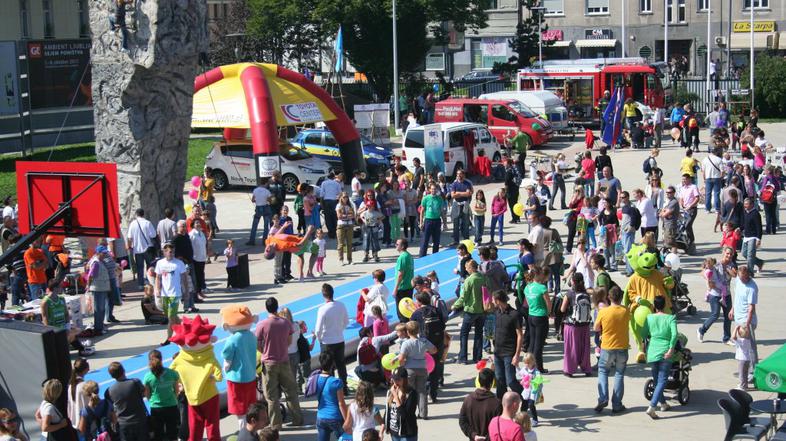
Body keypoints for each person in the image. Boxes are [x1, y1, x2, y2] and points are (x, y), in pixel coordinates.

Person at [255, 297, 304, 429]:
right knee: (291, 392)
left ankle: (276, 425)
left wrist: (265, 350)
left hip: (269, 363)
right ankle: (297, 419)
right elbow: (288, 341)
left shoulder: (262, 324)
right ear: (277, 307)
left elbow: (257, 344)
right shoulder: (286, 323)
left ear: (266, 308)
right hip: (283, 360)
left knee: (271, 397)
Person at [594, 287, 630, 414]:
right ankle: (617, 404)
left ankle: (603, 398)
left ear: (609, 297)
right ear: (621, 298)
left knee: (603, 371)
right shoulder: (626, 310)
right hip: (622, 347)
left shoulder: (603, 312)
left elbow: (596, 327)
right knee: (619, 374)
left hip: (607, 346)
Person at [642, 296, 678, 419]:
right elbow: (675, 335)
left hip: (652, 351)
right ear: (665, 305)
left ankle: (663, 404)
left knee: (657, 380)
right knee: (662, 381)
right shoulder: (671, 318)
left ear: (654, 306)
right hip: (665, 352)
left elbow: (643, 333)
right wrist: (671, 348)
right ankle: (652, 406)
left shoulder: (649, 318)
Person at [398, 321, 437, 419]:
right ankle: (423, 413)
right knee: (422, 391)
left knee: (409, 391)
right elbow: (434, 350)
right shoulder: (423, 341)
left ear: (407, 332)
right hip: (422, 368)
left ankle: (410, 412)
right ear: (418, 330)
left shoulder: (406, 343)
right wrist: (425, 351)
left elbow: (401, 359)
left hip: (410, 368)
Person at [315, 283, 350, 390]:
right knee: (341, 365)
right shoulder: (341, 305)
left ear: (323, 295)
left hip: (327, 342)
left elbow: (318, 329)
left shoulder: (322, 309)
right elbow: (346, 322)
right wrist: (339, 330)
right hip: (339, 339)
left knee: (328, 366)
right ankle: (344, 387)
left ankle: (332, 388)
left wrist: (320, 338)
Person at [453, 259, 487, 365]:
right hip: (482, 310)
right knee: (479, 333)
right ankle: (477, 357)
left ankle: (463, 357)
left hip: (471, 310)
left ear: (471, 268)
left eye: (467, 267)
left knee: (464, 333)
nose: (466, 269)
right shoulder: (483, 278)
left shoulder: (469, 280)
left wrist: (455, 305)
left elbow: (464, 296)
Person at [105, 362, 149, 441]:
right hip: (140, 420)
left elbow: (112, 409)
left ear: (112, 376)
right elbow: (144, 394)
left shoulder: (109, 391)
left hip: (124, 424)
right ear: (124, 371)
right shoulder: (135, 382)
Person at [155, 243, 189, 346]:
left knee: (170, 317)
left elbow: (184, 279)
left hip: (175, 294)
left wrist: (186, 291)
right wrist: (157, 289)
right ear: (164, 252)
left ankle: (169, 338)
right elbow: (158, 277)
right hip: (165, 294)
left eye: (173, 252)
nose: (172, 254)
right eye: (170, 252)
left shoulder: (179, 263)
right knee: (172, 316)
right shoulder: (160, 263)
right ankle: (186, 330)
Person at [143, 349, 180, 440]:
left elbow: (147, 394)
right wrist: (173, 398)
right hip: (171, 405)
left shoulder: (148, 376)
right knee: (172, 431)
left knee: (158, 432)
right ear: (161, 359)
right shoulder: (172, 373)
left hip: (156, 407)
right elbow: (176, 389)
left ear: (149, 361)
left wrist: (152, 401)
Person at [560, 273, 593, 376]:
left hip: (572, 325)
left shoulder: (569, 293)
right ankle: (586, 368)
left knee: (571, 348)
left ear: (573, 282)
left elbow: (562, 309)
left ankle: (570, 370)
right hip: (585, 325)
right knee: (584, 348)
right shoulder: (586, 293)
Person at [729, 265, 759, 379]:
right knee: (741, 347)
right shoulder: (738, 280)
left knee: (750, 348)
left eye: (743, 278)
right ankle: (743, 371)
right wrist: (733, 309)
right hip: (738, 319)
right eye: (740, 277)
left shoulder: (752, 287)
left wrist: (747, 323)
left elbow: (751, 308)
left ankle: (753, 372)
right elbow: (737, 297)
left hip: (747, 321)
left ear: (748, 275)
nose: (741, 280)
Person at [493, 290, 523, 399]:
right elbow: (486, 308)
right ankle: (501, 406)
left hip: (509, 353)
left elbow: (520, 335)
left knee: (511, 381)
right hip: (497, 352)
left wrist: (517, 355)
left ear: (497, 301)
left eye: (493, 300)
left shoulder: (514, 314)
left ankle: (526, 396)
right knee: (500, 381)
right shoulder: (497, 312)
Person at [459, 368, 501, 441]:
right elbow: (498, 427)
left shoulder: (468, 400)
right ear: (491, 383)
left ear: (478, 381)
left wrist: (473, 435)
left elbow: (462, 421)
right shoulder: (496, 403)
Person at [314, 352, 349, 441]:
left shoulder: (315, 379)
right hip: (335, 418)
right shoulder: (336, 382)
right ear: (332, 364)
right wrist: (347, 421)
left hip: (320, 417)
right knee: (345, 438)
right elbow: (341, 403)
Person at [524, 267, 550, 372]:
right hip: (541, 316)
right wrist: (549, 312)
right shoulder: (542, 288)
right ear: (538, 275)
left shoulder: (527, 288)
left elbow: (528, 302)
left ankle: (528, 364)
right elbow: (548, 303)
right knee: (539, 344)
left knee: (532, 342)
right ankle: (539, 367)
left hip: (531, 315)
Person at [385, 368, 419, 441]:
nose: (395, 382)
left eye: (398, 380)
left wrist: (396, 397)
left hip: (407, 434)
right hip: (394, 433)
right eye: (394, 379)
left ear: (405, 380)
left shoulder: (411, 393)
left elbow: (405, 415)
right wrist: (384, 427)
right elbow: (388, 411)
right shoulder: (391, 392)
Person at [127, 208, 157, 290]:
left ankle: (140, 284)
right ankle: (150, 282)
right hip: (148, 249)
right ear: (143, 214)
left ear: (136, 214)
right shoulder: (147, 223)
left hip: (137, 250)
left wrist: (129, 247)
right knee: (150, 266)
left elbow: (129, 238)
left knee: (139, 267)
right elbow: (153, 235)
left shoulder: (132, 224)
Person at [86, 245, 112, 335]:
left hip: (102, 288)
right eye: (103, 253)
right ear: (98, 253)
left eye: (105, 253)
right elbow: (90, 276)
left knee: (102, 309)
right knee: (99, 309)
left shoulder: (101, 261)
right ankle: (98, 329)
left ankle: (100, 326)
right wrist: (88, 286)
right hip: (97, 289)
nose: (104, 255)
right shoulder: (96, 262)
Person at [449, 169, 474, 246]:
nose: (458, 176)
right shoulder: (454, 184)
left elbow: (468, 194)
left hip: (465, 205)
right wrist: (462, 193)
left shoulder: (467, 183)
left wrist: (458, 193)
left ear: (463, 175)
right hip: (456, 205)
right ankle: (456, 240)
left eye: (460, 174)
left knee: (466, 223)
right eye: (457, 174)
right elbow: (453, 195)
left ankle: (466, 240)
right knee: (455, 224)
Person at [393, 238, 415, 323]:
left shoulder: (402, 258)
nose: (395, 245)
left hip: (402, 288)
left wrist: (395, 288)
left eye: (397, 244)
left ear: (402, 246)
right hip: (409, 286)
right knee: (408, 310)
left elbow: (400, 274)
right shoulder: (409, 255)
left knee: (401, 311)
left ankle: (404, 331)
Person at [741, 198, 764, 273]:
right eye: (744, 204)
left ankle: (750, 273)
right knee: (744, 253)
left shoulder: (755, 214)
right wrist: (740, 229)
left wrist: (758, 239)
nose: (745, 206)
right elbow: (744, 224)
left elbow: (759, 227)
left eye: (747, 204)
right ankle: (759, 262)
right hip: (746, 236)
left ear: (752, 205)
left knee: (750, 256)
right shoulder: (745, 212)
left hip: (753, 237)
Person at [247, 178, 272, 246]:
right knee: (266, 226)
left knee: (254, 225)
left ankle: (252, 241)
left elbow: (253, 200)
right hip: (265, 208)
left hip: (258, 208)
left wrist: (257, 201)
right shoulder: (267, 191)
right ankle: (264, 241)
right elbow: (270, 201)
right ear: (266, 183)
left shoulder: (255, 190)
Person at [188, 218, 208, 300]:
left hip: (202, 257)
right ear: (193, 225)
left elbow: (204, 244)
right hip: (195, 258)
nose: (198, 224)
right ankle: (197, 292)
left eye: (199, 223)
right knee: (196, 276)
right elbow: (190, 246)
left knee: (201, 275)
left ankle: (200, 291)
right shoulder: (192, 234)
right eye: (196, 223)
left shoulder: (201, 233)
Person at [321, 172, 343, 239]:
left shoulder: (323, 183)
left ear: (328, 177)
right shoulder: (337, 184)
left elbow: (322, 194)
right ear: (334, 177)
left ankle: (331, 233)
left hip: (326, 201)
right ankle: (336, 232)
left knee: (328, 218)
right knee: (335, 217)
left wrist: (322, 204)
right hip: (334, 201)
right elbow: (340, 194)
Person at [702, 147, 724, 213]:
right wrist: (721, 177)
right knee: (716, 193)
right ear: (716, 151)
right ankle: (717, 208)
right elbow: (722, 171)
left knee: (708, 194)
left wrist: (704, 179)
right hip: (717, 178)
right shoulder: (719, 159)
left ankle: (707, 209)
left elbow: (703, 171)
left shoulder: (705, 159)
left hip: (708, 177)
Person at [336, 193, 356, 265]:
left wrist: (345, 216)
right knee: (341, 244)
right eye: (344, 197)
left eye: (347, 197)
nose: (345, 199)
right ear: (341, 197)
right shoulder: (339, 206)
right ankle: (341, 259)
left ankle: (350, 259)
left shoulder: (350, 205)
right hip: (341, 225)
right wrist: (347, 216)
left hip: (349, 225)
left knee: (349, 243)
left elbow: (353, 215)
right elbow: (339, 216)